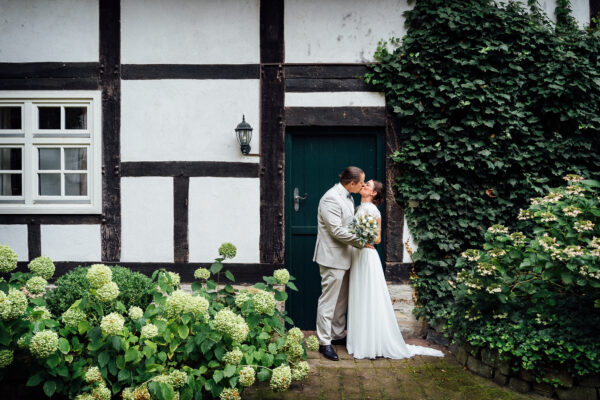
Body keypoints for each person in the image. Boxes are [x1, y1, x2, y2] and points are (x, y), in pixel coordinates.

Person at [346, 179, 444, 359]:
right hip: (357, 255)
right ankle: (359, 339)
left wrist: (362, 238)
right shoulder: (359, 208)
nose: (364, 186)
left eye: (368, 185)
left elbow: (377, 239)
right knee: (359, 294)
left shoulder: (372, 211)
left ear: (373, 193)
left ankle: (371, 343)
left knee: (369, 296)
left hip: (367, 257)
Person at [313, 166, 366, 361]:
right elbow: (335, 230)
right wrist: (361, 242)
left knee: (341, 301)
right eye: (361, 182)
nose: (363, 185)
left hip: (346, 256)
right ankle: (324, 342)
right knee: (328, 301)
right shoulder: (330, 198)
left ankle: (336, 335)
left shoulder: (348, 197)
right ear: (351, 183)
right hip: (331, 257)